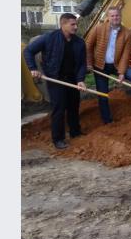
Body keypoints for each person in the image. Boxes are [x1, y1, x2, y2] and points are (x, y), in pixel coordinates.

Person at [23, 13, 87, 149]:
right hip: (55, 79)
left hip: (73, 80)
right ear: (62, 24)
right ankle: (58, 139)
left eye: (76, 24)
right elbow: (28, 51)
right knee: (59, 109)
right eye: (72, 24)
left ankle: (75, 132)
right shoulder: (49, 38)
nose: (76, 27)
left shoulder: (79, 42)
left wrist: (80, 80)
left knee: (73, 107)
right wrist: (33, 68)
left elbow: (82, 64)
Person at [85, 6, 131, 124]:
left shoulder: (127, 33)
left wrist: (122, 72)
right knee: (102, 93)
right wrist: (89, 63)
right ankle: (107, 120)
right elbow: (88, 46)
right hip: (100, 66)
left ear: (120, 16)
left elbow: (126, 54)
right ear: (108, 17)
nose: (115, 18)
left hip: (117, 64)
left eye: (117, 15)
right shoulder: (99, 28)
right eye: (112, 16)